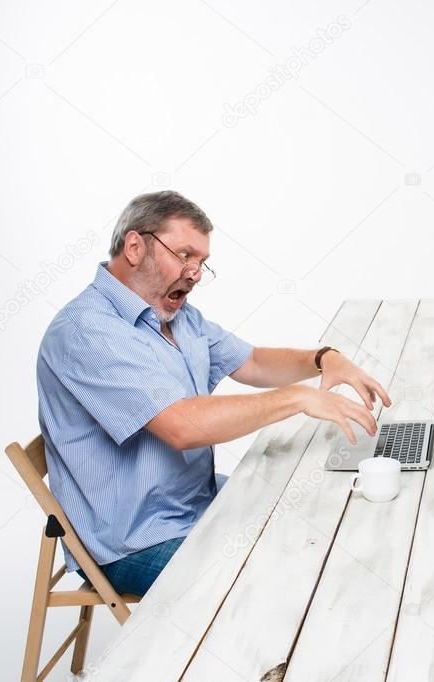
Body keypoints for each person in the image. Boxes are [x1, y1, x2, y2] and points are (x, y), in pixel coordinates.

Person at [36, 191, 389, 596]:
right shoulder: (88, 331)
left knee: (321, 520)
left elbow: (252, 362)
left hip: (196, 502)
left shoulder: (174, 314)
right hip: (134, 540)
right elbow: (182, 426)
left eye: (202, 262)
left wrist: (324, 358)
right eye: (185, 255)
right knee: (286, 575)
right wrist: (298, 398)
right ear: (135, 247)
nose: (195, 273)